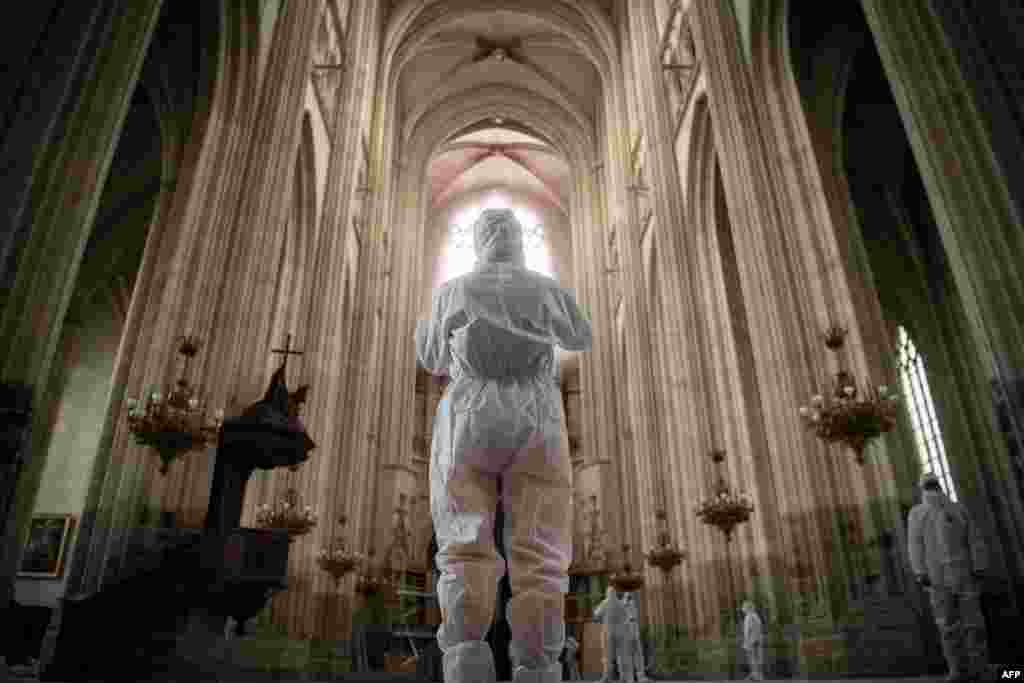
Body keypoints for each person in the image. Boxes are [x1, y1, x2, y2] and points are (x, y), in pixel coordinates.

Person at [416, 208, 593, 683]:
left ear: (478, 242)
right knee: (540, 550)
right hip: (535, 412)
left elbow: (431, 357)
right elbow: (581, 335)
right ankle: (538, 667)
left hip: (469, 412)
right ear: (520, 240)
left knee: (462, 544)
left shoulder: (453, 290)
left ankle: (465, 663)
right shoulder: (545, 287)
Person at [908, 471, 990, 683]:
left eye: (933, 485)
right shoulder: (917, 514)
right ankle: (958, 669)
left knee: (972, 622)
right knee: (948, 625)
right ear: (924, 489)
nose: (932, 490)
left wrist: (979, 566)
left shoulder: (957, 508)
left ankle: (978, 668)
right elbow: (915, 545)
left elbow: (973, 538)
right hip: (940, 577)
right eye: (929, 486)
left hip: (961, 573)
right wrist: (920, 572)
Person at [594, 587, 634, 683]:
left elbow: (596, 615)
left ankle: (606, 677)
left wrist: (599, 617)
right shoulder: (621, 604)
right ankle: (623, 678)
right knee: (621, 655)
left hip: (608, 632)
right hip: (621, 633)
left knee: (607, 656)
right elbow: (628, 618)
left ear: (607, 593)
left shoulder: (605, 603)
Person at [623, 593, 649, 682]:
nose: (630, 596)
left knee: (638, 654)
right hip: (626, 630)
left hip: (634, 628)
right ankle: (630, 678)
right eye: (628, 595)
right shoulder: (621, 604)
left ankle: (641, 676)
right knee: (628, 655)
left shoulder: (633, 603)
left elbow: (636, 616)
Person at [740, 600, 764, 681]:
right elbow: (759, 629)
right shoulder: (756, 616)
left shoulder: (748, 617)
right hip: (757, 639)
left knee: (752, 659)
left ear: (747, 608)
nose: (742, 608)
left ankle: (755, 675)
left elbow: (747, 630)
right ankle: (757, 675)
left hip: (751, 640)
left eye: (743, 607)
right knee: (757, 658)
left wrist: (746, 642)